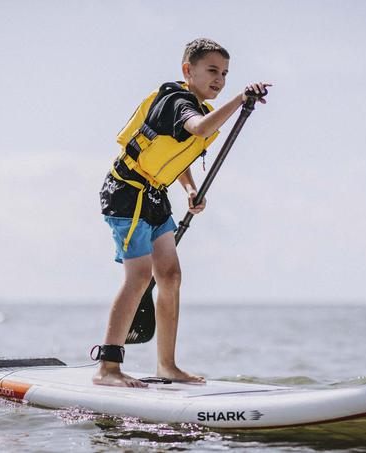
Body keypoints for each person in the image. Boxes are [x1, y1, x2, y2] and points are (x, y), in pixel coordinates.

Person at [95, 38, 271, 387]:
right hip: (126, 194)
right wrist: (240, 99)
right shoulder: (179, 102)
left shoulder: (197, 107)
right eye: (211, 71)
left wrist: (190, 189)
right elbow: (199, 130)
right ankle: (108, 369)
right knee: (139, 277)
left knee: (170, 276)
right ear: (187, 71)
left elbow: (177, 155)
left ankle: (167, 366)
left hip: (155, 196)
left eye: (224, 73)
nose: (219, 79)